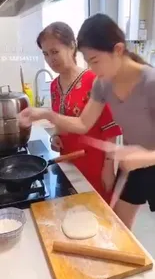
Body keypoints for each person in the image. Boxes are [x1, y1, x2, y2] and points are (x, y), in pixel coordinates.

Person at [19, 13, 155, 229]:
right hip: (135, 163)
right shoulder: (103, 84)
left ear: (118, 50)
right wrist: (46, 114)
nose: (91, 69)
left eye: (94, 61)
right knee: (117, 227)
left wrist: (145, 157)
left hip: (145, 159)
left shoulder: (150, 83)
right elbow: (83, 124)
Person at [36, 21, 121, 204]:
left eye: (55, 51)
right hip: (67, 163)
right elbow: (60, 122)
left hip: (95, 165)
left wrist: (108, 168)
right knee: (72, 214)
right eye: (46, 54)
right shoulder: (53, 86)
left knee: (97, 217)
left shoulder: (95, 81)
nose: (51, 59)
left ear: (72, 46)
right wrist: (55, 138)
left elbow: (111, 129)